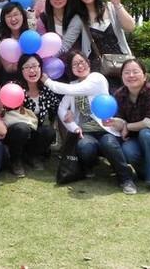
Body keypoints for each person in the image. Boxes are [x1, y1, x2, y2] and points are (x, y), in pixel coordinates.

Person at [41, 51, 137, 195]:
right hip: (86, 131)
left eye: (82, 62)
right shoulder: (73, 84)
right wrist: (74, 127)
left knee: (108, 143)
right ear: (71, 69)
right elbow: (62, 109)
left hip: (105, 128)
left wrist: (48, 82)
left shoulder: (97, 78)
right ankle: (89, 167)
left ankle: (125, 179)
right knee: (85, 147)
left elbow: (73, 90)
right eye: (75, 64)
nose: (80, 66)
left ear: (88, 63)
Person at [106, 59, 150, 193]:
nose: (131, 75)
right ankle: (145, 173)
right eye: (127, 72)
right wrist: (113, 122)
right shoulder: (120, 94)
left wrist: (127, 127)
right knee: (127, 149)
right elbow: (120, 119)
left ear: (144, 76)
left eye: (135, 72)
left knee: (147, 132)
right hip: (138, 139)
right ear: (122, 77)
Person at [74, 0, 135, 91]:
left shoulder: (111, 7)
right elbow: (69, 40)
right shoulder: (79, 17)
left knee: (125, 97)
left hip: (120, 64)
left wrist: (117, 4)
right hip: (97, 70)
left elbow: (130, 27)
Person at [12, 54, 60, 175]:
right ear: (21, 70)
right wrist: (1, 101)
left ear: (40, 68)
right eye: (27, 67)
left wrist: (67, 110)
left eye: (34, 66)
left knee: (49, 131)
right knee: (22, 128)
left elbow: (58, 106)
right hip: (17, 132)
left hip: (35, 131)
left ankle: (33, 156)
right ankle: (16, 160)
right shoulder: (14, 87)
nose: (32, 70)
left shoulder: (45, 89)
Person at [0, 2, 29, 86]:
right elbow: (8, 69)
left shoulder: (31, 34)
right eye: (9, 16)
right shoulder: (2, 40)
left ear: (22, 16)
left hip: (32, 76)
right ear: (4, 19)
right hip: (13, 79)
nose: (13, 19)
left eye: (16, 14)